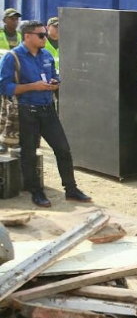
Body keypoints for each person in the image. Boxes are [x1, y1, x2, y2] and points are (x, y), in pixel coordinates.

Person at [0, 20, 92, 208]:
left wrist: (55, 83)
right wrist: (32, 86)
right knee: (29, 153)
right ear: (27, 36)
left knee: (63, 149)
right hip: (27, 111)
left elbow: (54, 76)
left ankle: (71, 189)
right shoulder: (13, 57)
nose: (46, 38)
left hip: (47, 109)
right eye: (41, 35)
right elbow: (4, 86)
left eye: (45, 34)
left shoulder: (47, 55)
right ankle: (36, 192)